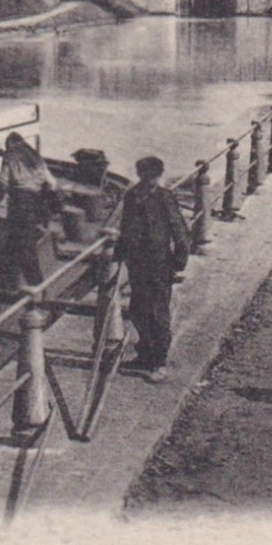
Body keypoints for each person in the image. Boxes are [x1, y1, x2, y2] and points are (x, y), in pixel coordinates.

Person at [115, 155, 191, 383]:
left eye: (150, 176)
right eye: (143, 175)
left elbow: (180, 233)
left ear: (157, 176)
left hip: (159, 265)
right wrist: (119, 254)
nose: (146, 180)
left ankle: (158, 362)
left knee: (158, 314)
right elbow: (125, 228)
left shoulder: (164, 198)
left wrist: (178, 262)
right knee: (138, 311)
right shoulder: (131, 196)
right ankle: (144, 355)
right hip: (137, 265)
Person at [0, 132, 58, 287]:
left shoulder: (11, 156)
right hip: (37, 204)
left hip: (20, 205)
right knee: (12, 243)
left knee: (24, 248)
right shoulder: (34, 156)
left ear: (9, 145)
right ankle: (8, 284)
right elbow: (51, 183)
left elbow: (3, 184)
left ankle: (37, 287)